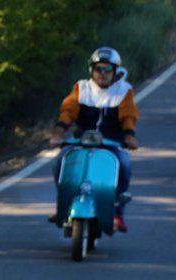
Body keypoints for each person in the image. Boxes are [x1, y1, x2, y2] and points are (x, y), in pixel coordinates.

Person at [49, 47, 138, 232]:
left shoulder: (123, 90)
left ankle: (118, 213)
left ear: (115, 71)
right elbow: (68, 111)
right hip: (81, 141)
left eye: (107, 70)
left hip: (111, 143)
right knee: (61, 161)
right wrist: (58, 134)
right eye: (99, 69)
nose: (103, 74)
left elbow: (128, 115)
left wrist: (129, 137)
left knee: (124, 164)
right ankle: (63, 206)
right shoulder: (81, 88)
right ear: (92, 70)